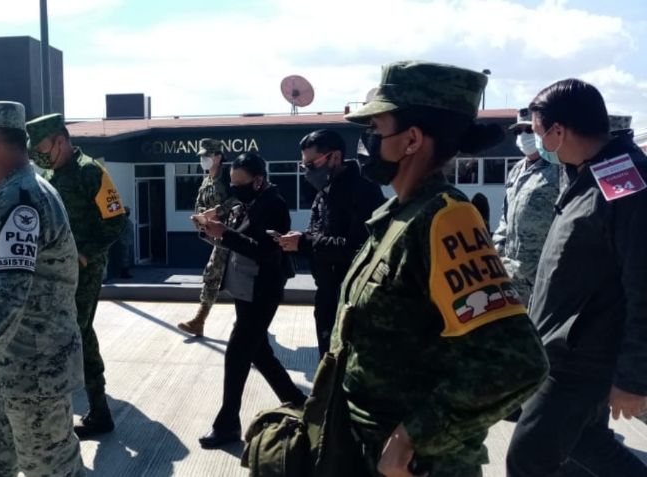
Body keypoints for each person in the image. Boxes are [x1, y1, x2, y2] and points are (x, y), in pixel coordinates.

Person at [337, 61, 548, 477]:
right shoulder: (398, 214)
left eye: (376, 131)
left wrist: (411, 437)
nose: (366, 143)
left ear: (412, 139)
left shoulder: (446, 219)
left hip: (419, 465)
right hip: (367, 447)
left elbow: (516, 362)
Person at [506, 80, 647, 477]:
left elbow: (643, 282)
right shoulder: (587, 173)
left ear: (558, 131)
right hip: (564, 350)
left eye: (537, 132)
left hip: (582, 360)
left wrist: (634, 378)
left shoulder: (625, 185)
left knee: (527, 457)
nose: (537, 142)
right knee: (589, 445)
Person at [0, 101, 85, 476]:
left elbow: (8, 295)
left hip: (35, 372)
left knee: (52, 470)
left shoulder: (20, 199)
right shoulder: (21, 189)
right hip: (12, 367)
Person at [196, 152, 307, 448]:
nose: (235, 188)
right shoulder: (247, 202)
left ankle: (227, 425)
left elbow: (263, 250)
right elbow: (231, 240)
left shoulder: (273, 205)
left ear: (258, 181)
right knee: (259, 353)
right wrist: (209, 229)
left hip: (262, 289)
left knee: (237, 355)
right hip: (246, 289)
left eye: (240, 183)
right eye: (232, 183)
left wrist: (225, 234)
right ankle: (298, 403)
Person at [26, 113, 127, 438]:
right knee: (80, 333)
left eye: (42, 146)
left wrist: (85, 253)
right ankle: (98, 412)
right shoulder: (53, 174)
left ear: (60, 139)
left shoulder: (89, 171)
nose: (40, 154)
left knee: (74, 334)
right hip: (57, 270)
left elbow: (116, 221)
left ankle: (92, 412)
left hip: (84, 269)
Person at [276, 129, 385, 357]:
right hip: (327, 294)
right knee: (327, 366)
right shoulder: (323, 192)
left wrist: (305, 243)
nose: (307, 170)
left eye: (311, 163)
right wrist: (295, 242)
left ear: (335, 157)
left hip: (353, 301)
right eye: (303, 164)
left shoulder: (363, 190)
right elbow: (315, 235)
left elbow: (359, 248)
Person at [491, 108, 559, 304]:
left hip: (543, 274)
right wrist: (498, 250)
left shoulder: (559, 169)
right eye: (518, 132)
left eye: (528, 131)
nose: (522, 136)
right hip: (512, 273)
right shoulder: (516, 170)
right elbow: (506, 214)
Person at [178, 138, 236, 337]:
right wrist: (199, 217)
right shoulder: (206, 179)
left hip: (235, 235)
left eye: (207, 155)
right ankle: (199, 321)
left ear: (218, 157)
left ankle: (202, 320)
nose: (203, 159)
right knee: (213, 275)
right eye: (202, 156)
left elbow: (240, 200)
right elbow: (199, 203)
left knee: (231, 276)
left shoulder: (229, 177)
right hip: (217, 237)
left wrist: (215, 211)